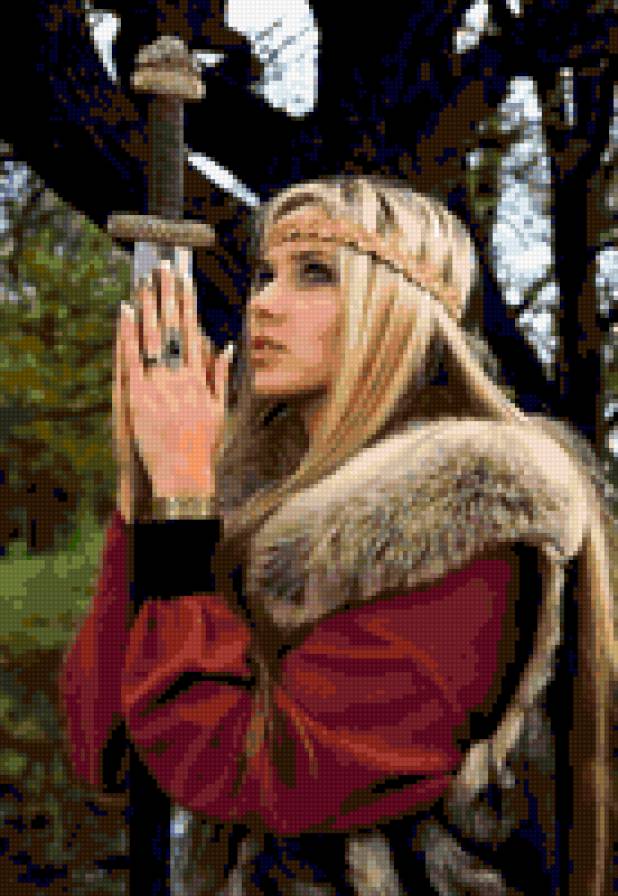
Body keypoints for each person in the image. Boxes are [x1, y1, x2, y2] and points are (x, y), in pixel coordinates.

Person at [58, 174, 616, 896]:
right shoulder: (240, 507)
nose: (263, 303)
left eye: (315, 273)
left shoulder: (469, 516)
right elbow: (105, 748)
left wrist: (185, 498)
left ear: (394, 309)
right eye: (265, 275)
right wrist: (148, 499)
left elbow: (262, 773)